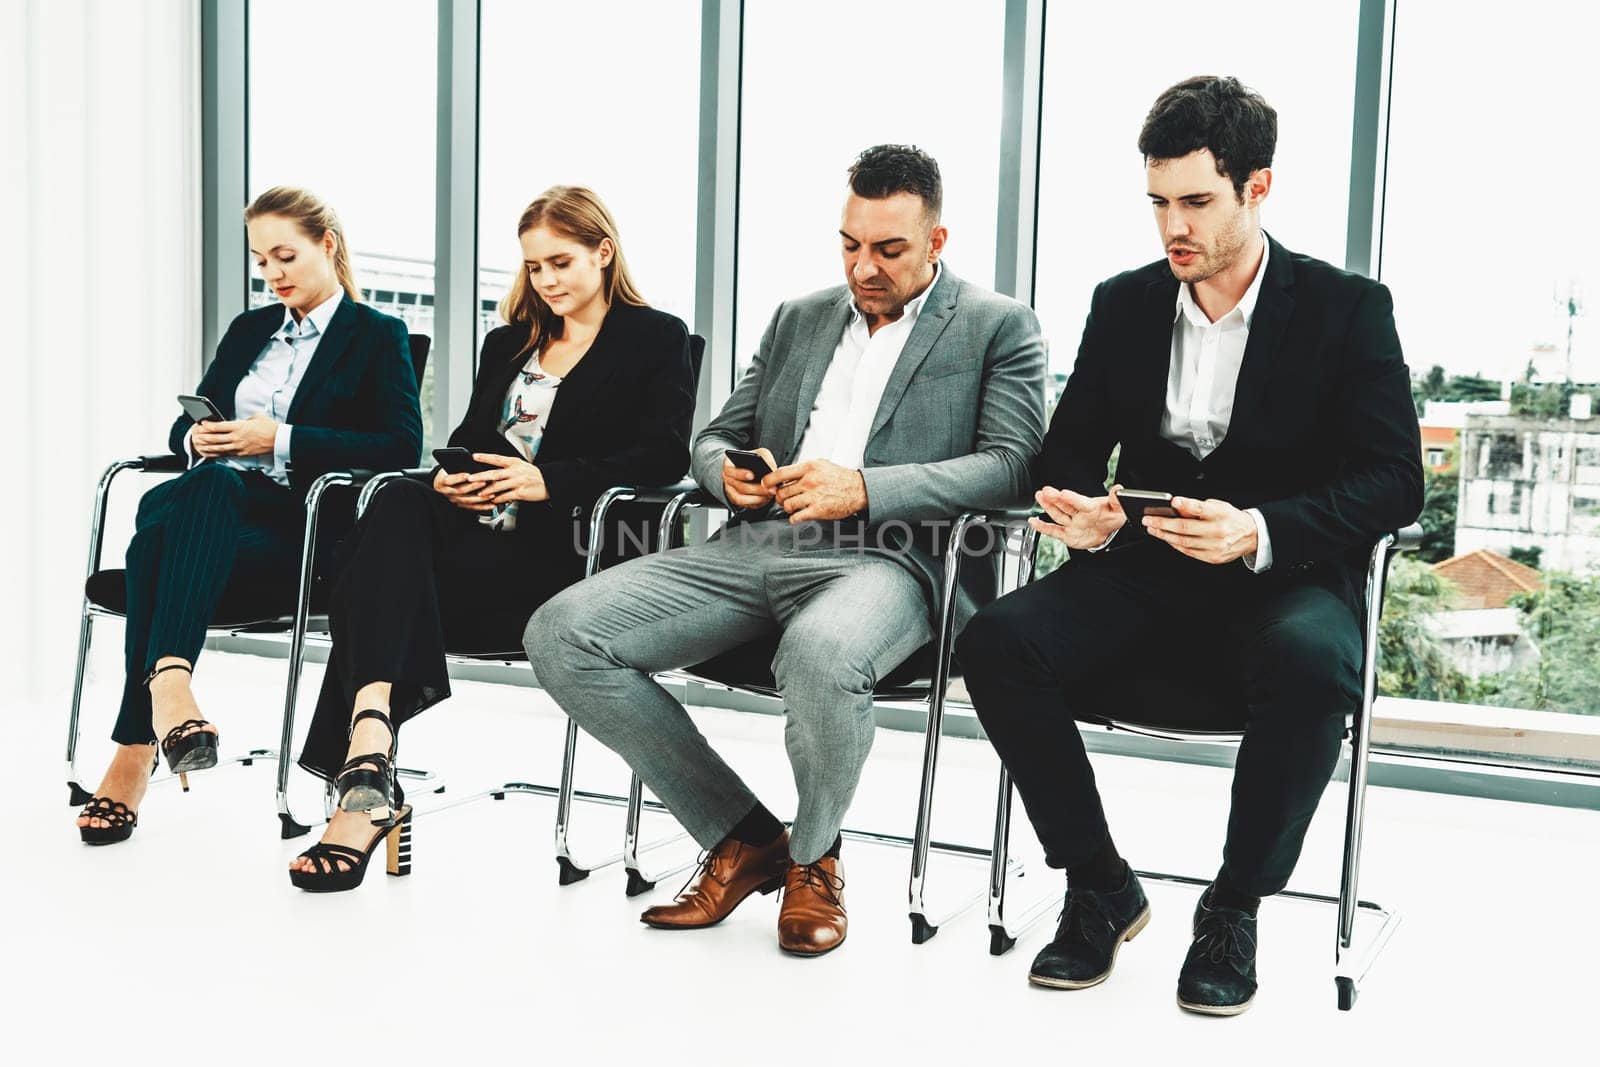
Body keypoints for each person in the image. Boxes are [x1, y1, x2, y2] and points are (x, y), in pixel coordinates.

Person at [956, 76, 1424, 1015]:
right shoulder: (1126, 302)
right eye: (1159, 202)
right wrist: (1083, 510)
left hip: (1279, 578)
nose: (1174, 226)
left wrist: (1261, 528)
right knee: (995, 643)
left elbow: (1394, 482)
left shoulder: (1346, 309)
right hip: (1142, 569)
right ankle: (1097, 883)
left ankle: (1234, 904)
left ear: (1258, 189)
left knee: (1312, 661)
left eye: (1197, 202)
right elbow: (1069, 453)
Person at [527, 145, 1045, 956]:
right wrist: (725, 475)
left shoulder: (996, 324)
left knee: (819, 652)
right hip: (756, 542)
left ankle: (814, 858)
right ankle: (742, 836)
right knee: (561, 633)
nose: (863, 267)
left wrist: (865, 487)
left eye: (889, 249)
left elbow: (1011, 464)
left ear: (936, 241)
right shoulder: (799, 316)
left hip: (894, 559)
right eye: (849, 244)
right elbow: (716, 435)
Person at [286, 186, 696, 891]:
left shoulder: (654, 337)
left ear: (604, 251)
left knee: (373, 578)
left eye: (562, 262)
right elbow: (469, 442)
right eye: (536, 267)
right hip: (472, 545)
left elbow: (663, 458)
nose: (548, 280)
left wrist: (545, 481)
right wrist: (455, 478)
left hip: (566, 556)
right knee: (397, 498)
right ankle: (372, 742)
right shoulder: (510, 341)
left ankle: (363, 781)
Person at [75, 186, 422, 845]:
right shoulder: (249, 330)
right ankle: (171, 691)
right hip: (215, 523)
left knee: (158, 535)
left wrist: (279, 439)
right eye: (262, 260)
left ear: (328, 244)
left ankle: (137, 744)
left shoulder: (378, 335)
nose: (274, 272)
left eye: (286, 255)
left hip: (299, 524)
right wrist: (195, 438)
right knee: (197, 492)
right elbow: (193, 416)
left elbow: (402, 446)